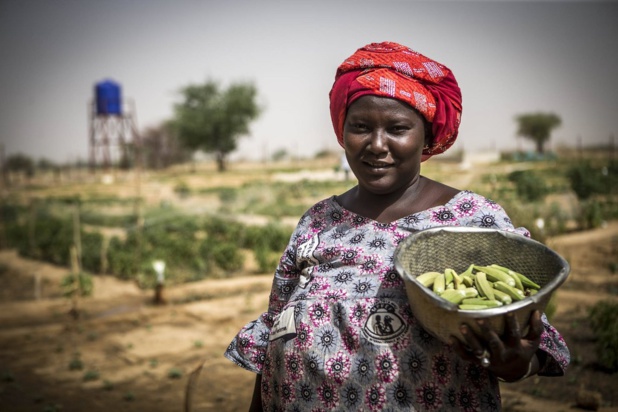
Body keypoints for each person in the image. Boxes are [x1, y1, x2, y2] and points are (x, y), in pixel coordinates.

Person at [224, 41, 569, 411]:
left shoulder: (471, 218)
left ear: (427, 137)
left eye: (397, 128)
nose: (376, 145)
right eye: (360, 127)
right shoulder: (317, 222)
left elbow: (523, 332)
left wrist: (518, 365)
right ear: (343, 131)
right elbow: (277, 329)